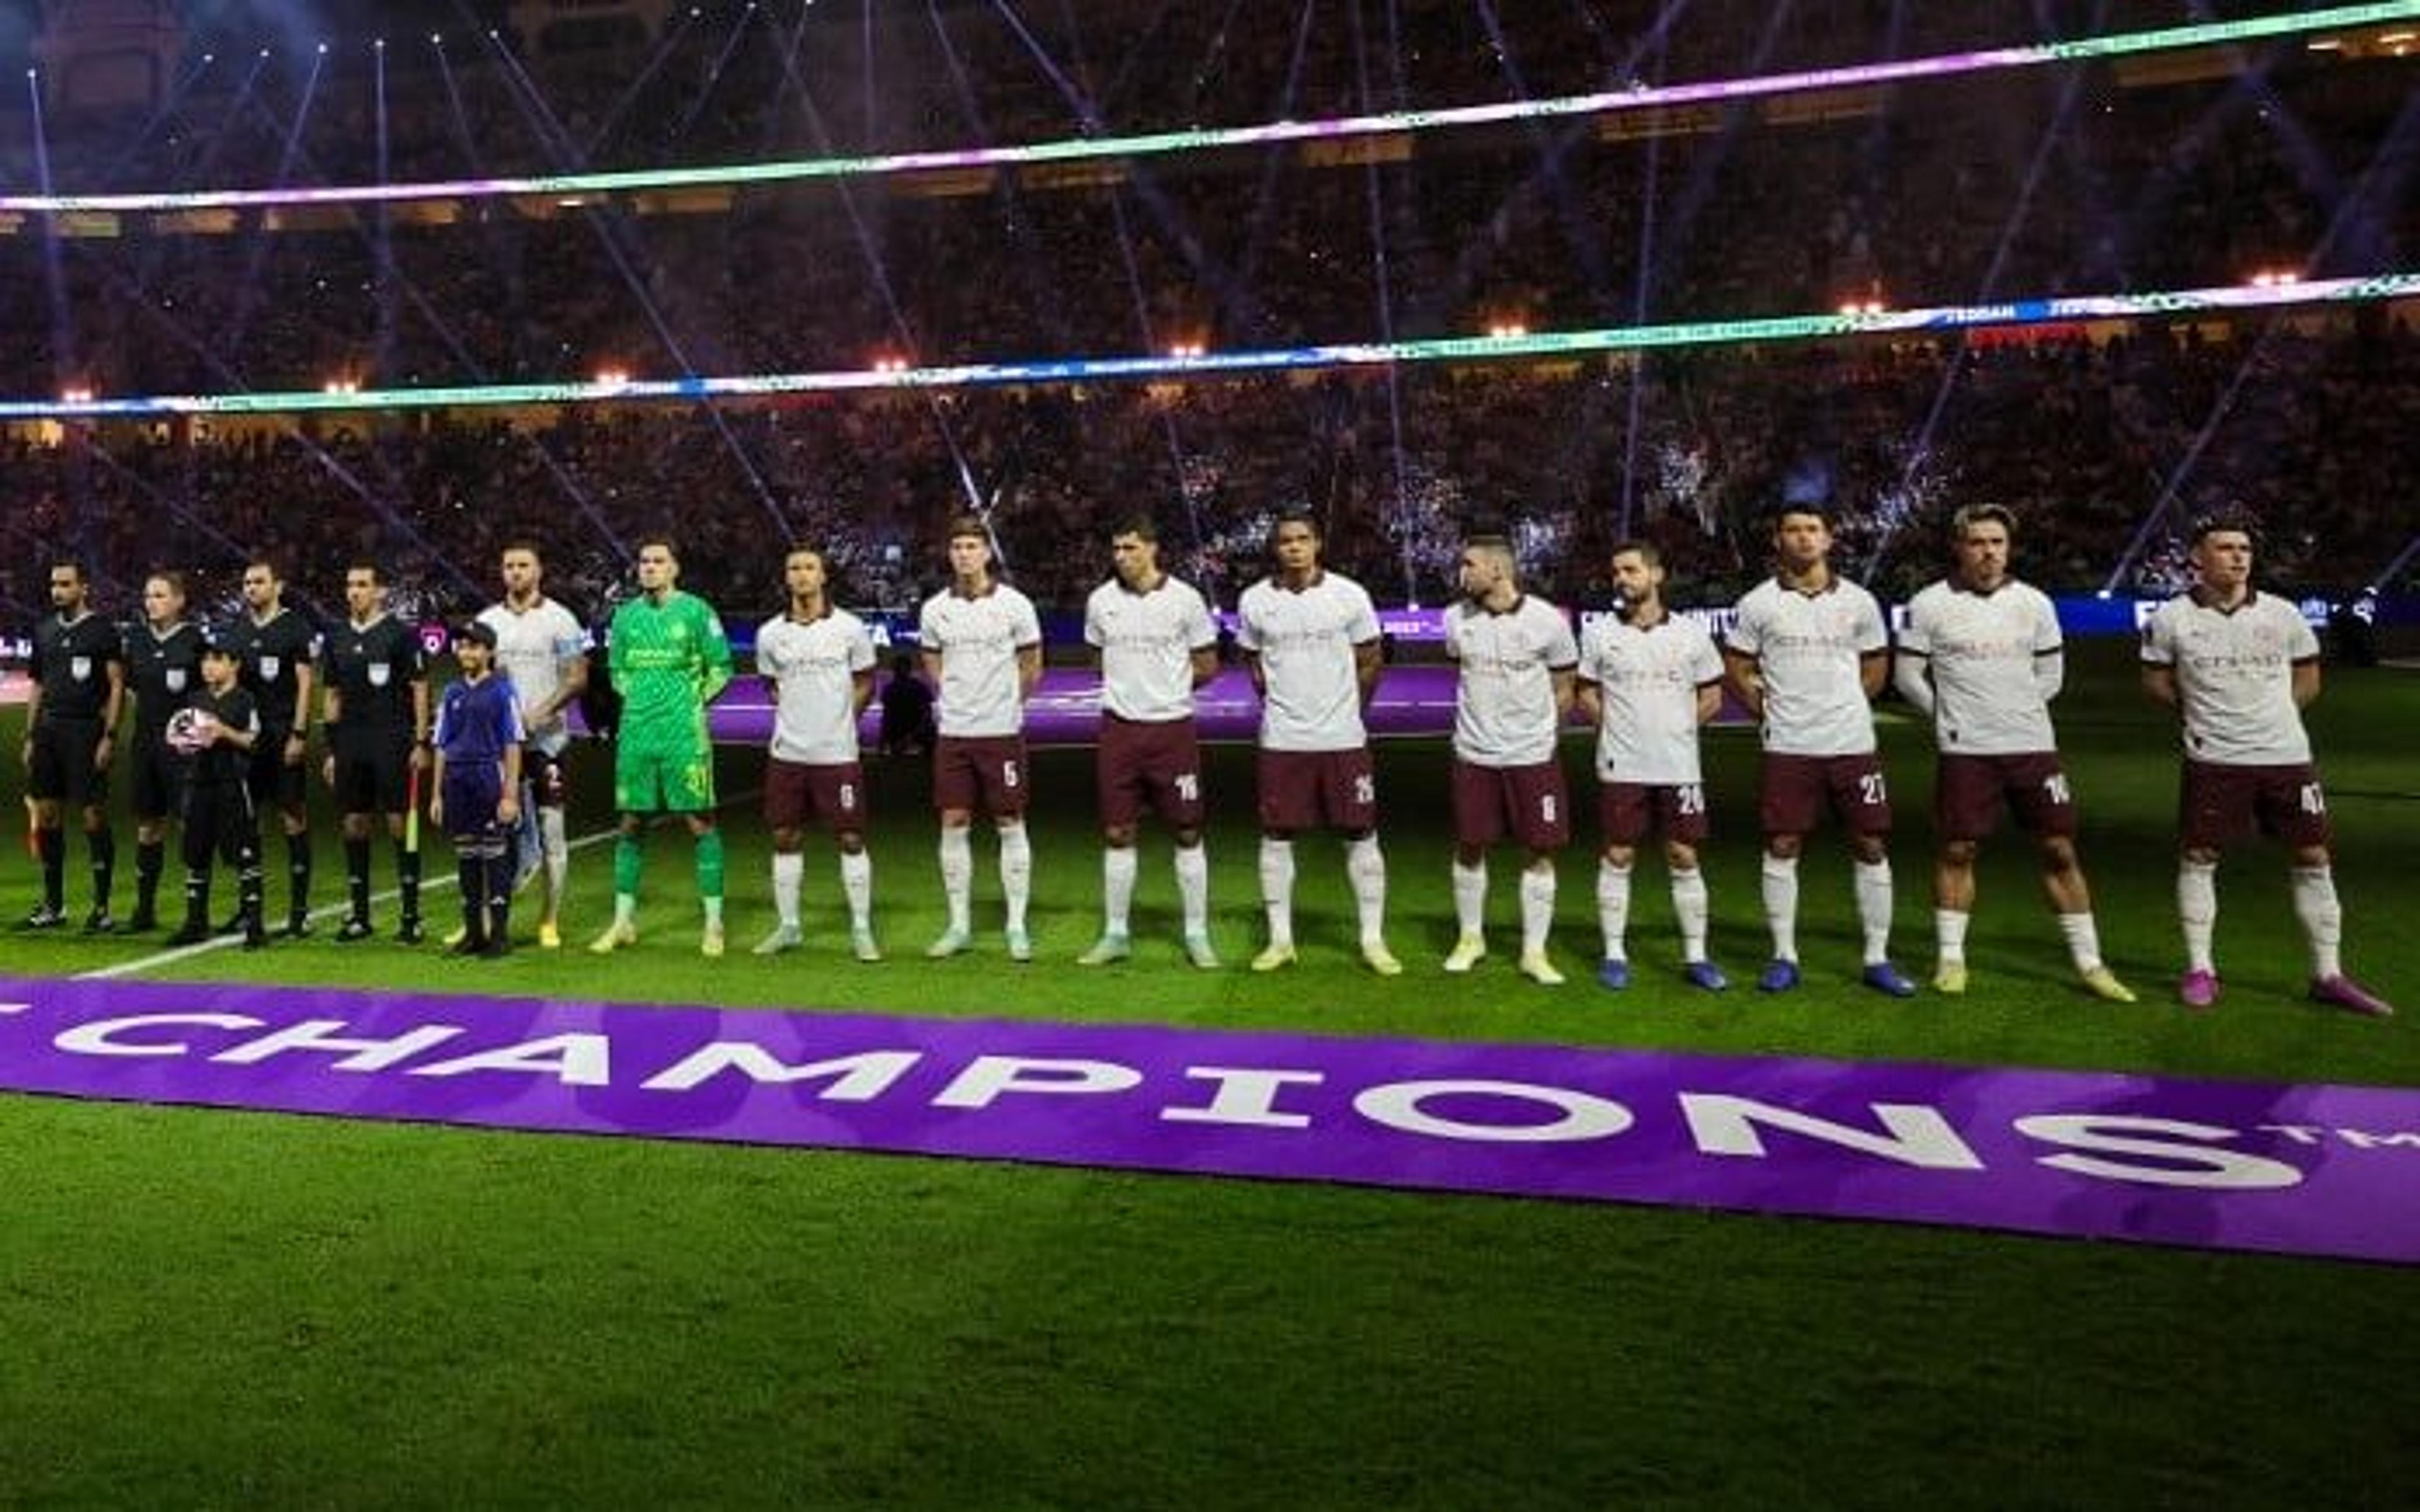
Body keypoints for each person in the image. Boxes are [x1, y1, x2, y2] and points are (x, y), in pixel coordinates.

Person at [2140, 516, 2393, 1015]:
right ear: (2198, 558)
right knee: (2200, 856)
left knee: (2314, 856)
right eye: (2225, 547)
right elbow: (2155, 680)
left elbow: (2309, 677)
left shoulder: (2283, 615)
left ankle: (2328, 974)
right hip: (2214, 757)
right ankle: (2200, 969)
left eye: (2244, 549)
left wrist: (2276, 718)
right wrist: (2197, 715)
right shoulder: (2171, 618)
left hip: (2287, 756)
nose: (2238, 556)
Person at [1897, 506, 2135, 1002]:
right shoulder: (1929, 605)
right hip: (1966, 751)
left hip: (2032, 747)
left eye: (1998, 542)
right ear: (1959, 547)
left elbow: (2051, 677)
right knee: (1958, 849)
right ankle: (1951, 960)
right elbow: (1907, 677)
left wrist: (2015, 711)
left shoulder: (2035, 604)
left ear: (2009, 547)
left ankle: (2091, 965)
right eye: (1978, 541)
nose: (1989, 551)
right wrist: (1949, 716)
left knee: (2059, 849)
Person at [1722, 505, 1915, 996]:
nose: (1804, 538)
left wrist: (1846, 707)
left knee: (1871, 843)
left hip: (1852, 744)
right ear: (1778, 540)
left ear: (1829, 539)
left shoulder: (1860, 602)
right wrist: (1769, 710)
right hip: (1789, 746)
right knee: (1783, 844)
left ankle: (1877, 958)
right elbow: (1738, 667)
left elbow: (1876, 667)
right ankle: (1784, 955)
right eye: (1793, 530)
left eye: (1813, 530)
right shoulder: (1757, 604)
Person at [1235, 510, 1400, 975]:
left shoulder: (1349, 595)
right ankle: (1280, 940)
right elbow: (1253, 663)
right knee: (1277, 833)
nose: (1294, 547)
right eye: (1286, 540)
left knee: (1360, 831)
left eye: (1302, 539)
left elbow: (1370, 660)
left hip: (1343, 739)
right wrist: (1277, 705)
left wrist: (1353, 712)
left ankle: (1372, 939)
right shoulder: (1254, 601)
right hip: (1284, 740)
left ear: (1317, 544)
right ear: (1276, 547)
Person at [1574, 541, 1731, 993]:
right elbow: (1586, 692)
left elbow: (1712, 696)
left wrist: (1678, 729)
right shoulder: (1601, 634)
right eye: (1616, 572)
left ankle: (1697, 956)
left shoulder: (1690, 634)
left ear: (1656, 575)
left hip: (1679, 765)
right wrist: (1617, 727)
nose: (1622, 579)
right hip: (1622, 765)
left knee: (1683, 855)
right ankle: (1614, 953)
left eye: (1630, 570)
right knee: (1619, 853)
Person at [1079, 516, 1221, 968]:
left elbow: (1207, 663)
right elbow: (1097, 659)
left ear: (1153, 549)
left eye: (1130, 548)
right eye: (1117, 549)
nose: (1121, 557)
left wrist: (1168, 690)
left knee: (1188, 829)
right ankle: (1116, 933)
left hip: (1173, 731)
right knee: (1118, 831)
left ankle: (1196, 933)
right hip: (1119, 730)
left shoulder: (1186, 600)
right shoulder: (1100, 601)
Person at [1440, 534, 1579, 986]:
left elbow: (1564, 686)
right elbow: (1460, 674)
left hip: (1532, 757)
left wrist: (1540, 736)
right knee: (1470, 844)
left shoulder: (1547, 621)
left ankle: (1533, 952)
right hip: (1474, 754)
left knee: (1539, 849)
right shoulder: (1454, 620)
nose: (1462, 572)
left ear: (1498, 570)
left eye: (1469, 564)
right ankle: (1470, 938)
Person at [589, 537, 735, 957]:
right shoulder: (626, 617)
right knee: (631, 824)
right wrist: (636, 699)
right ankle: (622, 923)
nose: (650, 567)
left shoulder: (696, 612)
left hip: (684, 737)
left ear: (675, 569)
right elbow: (617, 670)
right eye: (644, 561)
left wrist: (693, 701)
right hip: (636, 737)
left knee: (700, 823)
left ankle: (714, 924)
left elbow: (721, 667)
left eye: (659, 561)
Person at [918, 517, 1044, 961]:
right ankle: (958, 926)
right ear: (950, 554)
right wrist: (953, 697)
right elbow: (932, 661)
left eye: (972, 546)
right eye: (957, 547)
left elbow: (1032, 664)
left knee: (1010, 821)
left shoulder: (1015, 605)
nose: (965, 554)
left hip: (1001, 732)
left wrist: (1007, 703)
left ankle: (1016, 925)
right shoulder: (935, 609)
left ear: (988, 552)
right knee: (953, 821)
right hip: (954, 733)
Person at [752, 546, 882, 962]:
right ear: (786, 577)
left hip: (837, 753)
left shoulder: (850, 629)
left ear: (823, 576)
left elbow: (866, 680)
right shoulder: (770, 633)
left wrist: (844, 720)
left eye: (810, 568)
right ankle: (789, 927)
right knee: (784, 836)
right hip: (788, 753)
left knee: (850, 837)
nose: (802, 575)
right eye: (795, 568)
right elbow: (771, 684)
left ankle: (862, 929)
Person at [475, 542, 589, 949]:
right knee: (493, 835)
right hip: (501, 747)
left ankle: (549, 919)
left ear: (539, 571)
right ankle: (485, 918)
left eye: (524, 565)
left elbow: (577, 677)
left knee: (552, 831)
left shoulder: (560, 619)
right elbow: (478, 674)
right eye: (509, 566)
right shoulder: (488, 622)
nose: (516, 572)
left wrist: (540, 712)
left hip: (548, 744)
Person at [320, 561, 430, 944]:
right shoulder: (335, 637)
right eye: (350, 585)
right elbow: (332, 695)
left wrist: (420, 742)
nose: (355, 592)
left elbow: (419, 688)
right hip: (351, 741)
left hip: (393, 738)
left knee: (401, 824)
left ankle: (411, 916)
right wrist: (333, 750)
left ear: (381, 591)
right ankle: (359, 916)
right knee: (354, 823)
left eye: (363, 585)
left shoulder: (400, 635)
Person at [21, 558, 124, 931]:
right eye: (54, 584)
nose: (57, 591)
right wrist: (31, 735)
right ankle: (54, 905)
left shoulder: (102, 631)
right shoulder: (45, 630)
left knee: (93, 815)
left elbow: (115, 686)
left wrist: (110, 735)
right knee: (47, 814)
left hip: (86, 732)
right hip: (49, 731)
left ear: (84, 588)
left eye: (65, 584)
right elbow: (38, 685)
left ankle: (101, 908)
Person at [224, 558, 320, 936]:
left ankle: (300, 911)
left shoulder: (295, 627)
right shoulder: (237, 629)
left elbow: (305, 683)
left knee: (292, 816)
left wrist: (298, 733)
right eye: (247, 583)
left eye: (259, 582)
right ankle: (250, 908)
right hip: (246, 739)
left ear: (277, 587)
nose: (251, 588)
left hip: (281, 734)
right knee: (248, 821)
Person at [429, 622, 525, 958]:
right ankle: (473, 934)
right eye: (462, 646)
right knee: (467, 855)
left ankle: (499, 935)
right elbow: (441, 744)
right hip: (456, 780)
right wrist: (436, 794)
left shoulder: (502, 691)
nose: (467, 652)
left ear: (489, 652)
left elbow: (512, 743)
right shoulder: (452, 692)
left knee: (494, 855)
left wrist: (510, 794)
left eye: (474, 646)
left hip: (488, 776)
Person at [166, 637, 268, 949]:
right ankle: (196, 924)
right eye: (205, 661)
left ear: (234, 664)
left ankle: (255, 928)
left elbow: (254, 742)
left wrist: (225, 733)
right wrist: (181, 742)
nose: (208, 666)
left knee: (245, 856)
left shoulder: (245, 700)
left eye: (216, 660)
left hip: (232, 786)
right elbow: (179, 739)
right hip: (198, 784)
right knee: (196, 856)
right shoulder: (194, 699)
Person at [120, 570, 205, 934]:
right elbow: (132, 689)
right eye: (148, 595)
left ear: (179, 600)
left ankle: (196, 915)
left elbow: (207, 696)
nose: (151, 602)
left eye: (159, 595)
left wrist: (193, 735)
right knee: (148, 824)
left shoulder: (194, 641)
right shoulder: (136, 640)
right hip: (146, 746)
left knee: (190, 826)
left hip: (184, 751)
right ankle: (144, 910)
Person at [878, 651, 936, 758]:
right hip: (910, 733)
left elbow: (886, 717)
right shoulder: (917, 687)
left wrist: (883, 744)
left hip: (908, 733)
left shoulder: (891, 689)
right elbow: (928, 713)